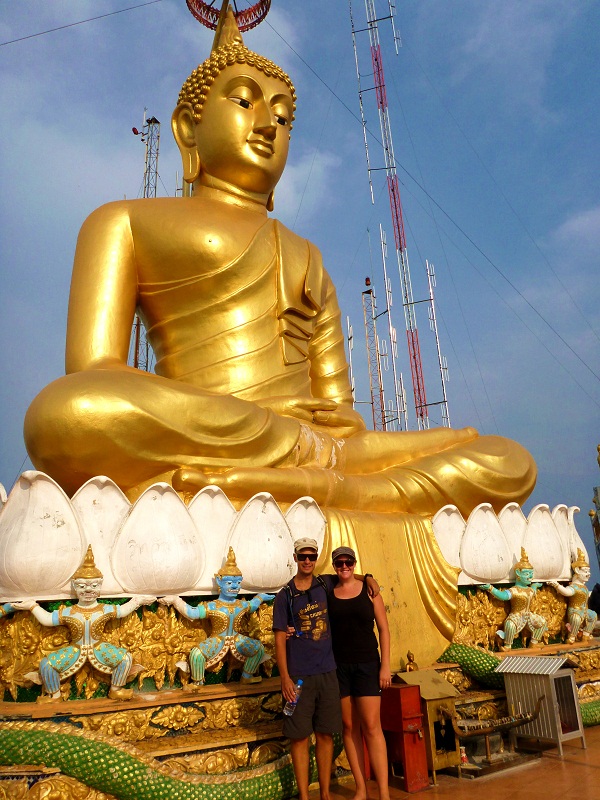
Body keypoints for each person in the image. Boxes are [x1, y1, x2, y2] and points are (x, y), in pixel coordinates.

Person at [23, 6, 536, 656]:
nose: (269, 125)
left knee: (508, 460)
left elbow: (341, 419)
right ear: (187, 129)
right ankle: (340, 485)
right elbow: (94, 369)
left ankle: (348, 490)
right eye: (244, 102)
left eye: (285, 117)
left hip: (324, 454)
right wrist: (297, 441)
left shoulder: (306, 255)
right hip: (231, 427)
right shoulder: (123, 222)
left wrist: (336, 449)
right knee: (68, 413)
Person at [12, 546, 155, 702]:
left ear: (100, 586)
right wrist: (32, 606)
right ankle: (54, 696)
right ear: (75, 586)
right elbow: (47, 619)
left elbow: (122, 611)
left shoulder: (104, 609)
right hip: (75, 649)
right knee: (46, 665)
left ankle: (116, 689)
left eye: (94, 586)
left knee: (125, 658)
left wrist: (137, 601)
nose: (88, 590)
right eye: (82, 586)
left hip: (99, 648)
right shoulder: (69, 612)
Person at [273, 538, 341, 800]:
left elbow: (348, 574)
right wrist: (285, 677)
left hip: (327, 671)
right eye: (303, 556)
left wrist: (368, 578)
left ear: (316, 558)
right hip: (299, 676)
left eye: (312, 556)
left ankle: (325, 793)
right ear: (295, 558)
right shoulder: (285, 596)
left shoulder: (325, 584)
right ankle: (304, 795)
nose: (307, 561)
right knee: (299, 737)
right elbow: (280, 637)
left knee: (325, 734)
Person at [159, 547, 274, 687]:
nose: (234, 587)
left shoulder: (240, 604)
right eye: (229, 583)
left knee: (258, 648)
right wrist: (175, 600)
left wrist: (260, 597)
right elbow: (192, 613)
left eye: (238, 583)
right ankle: (197, 682)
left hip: (237, 639)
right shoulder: (213, 606)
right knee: (196, 654)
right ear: (219, 582)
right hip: (218, 639)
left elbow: (253, 605)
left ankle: (246, 677)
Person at [328, 546, 391, 800]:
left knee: (372, 726)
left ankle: (384, 792)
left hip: (367, 664)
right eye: (339, 563)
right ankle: (361, 788)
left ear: (355, 563)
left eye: (349, 562)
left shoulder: (370, 591)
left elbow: (384, 630)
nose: (344, 567)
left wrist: (385, 666)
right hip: (340, 666)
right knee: (349, 726)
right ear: (334, 566)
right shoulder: (329, 591)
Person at [480, 547, 546, 651]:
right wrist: (490, 588)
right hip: (516, 615)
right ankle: (508, 645)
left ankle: (534, 642)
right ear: (518, 573)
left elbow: (533, 590)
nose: (530, 577)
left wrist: (535, 585)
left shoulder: (529, 590)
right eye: (527, 574)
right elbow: (502, 596)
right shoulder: (514, 591)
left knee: (542, 622)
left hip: (528, 615)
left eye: (531, 574)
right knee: (510, 624)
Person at [549, 549, 597, 643]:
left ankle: (585, 635)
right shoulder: (574, 587)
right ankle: (572, 636)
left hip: (584, 610)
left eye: (588, 571)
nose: (588, 574)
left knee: (593, 615)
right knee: (576, 619)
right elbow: (567, 592)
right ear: (577, 571)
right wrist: (556, 585)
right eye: (585, 571)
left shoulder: (583, 587)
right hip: (575, 611)